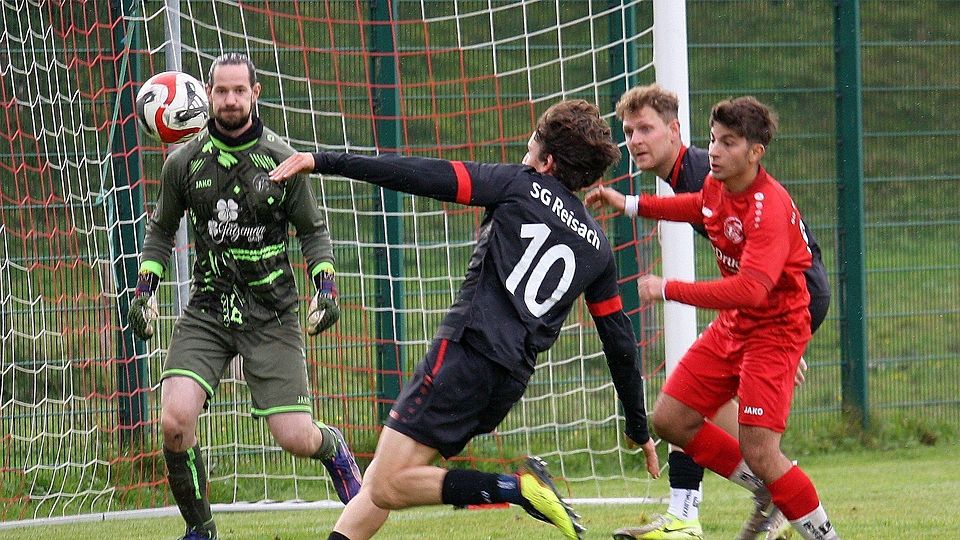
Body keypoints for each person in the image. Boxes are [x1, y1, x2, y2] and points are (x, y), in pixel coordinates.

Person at [269, 99, 660, 540]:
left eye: (530, 149)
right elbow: (620, 344)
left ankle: (517, 488)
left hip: (464, 355)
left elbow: (420, 175)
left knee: (385, 485)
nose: (524, 157)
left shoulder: (519, 184)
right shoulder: (599, 249)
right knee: (389, 471)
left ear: (547, 163)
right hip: (506, 382)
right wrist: (638, 426)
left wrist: (324, 161)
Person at [127, 53, 362, 540]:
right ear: (206, 95)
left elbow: (313, 233)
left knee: (296, 438)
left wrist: (327, 287)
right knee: (174, 422)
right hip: (208, 310)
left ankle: (332, 447)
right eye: (221, 91)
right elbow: (160, 232)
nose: (229, 100)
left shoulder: (281, 160)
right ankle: (201, 529)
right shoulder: (183, 164)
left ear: (255, 94)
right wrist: (145, 289)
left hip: (271, 311)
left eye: (239, 91)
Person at [587, 96, 839, 540]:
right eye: (628, 132)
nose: (716, 152)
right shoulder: (716, 183)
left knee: (760, 448)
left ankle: (787, 512)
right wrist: (627, 204)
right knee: (671, 418)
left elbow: (752, 288)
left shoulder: (764, 203)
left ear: (673, 132)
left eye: (644, 129)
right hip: (737, 322)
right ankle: (748, 495)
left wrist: (668, 289)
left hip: (774, 322)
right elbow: (693, 206)